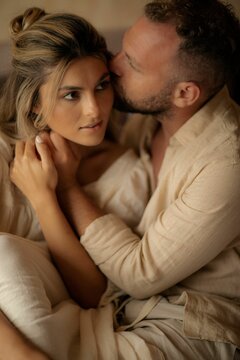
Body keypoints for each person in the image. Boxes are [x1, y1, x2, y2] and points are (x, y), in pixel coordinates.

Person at [2, 0, 240, 359]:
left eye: (131, 64)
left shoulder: (219, 164)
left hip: (181, 321)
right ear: (34, 103)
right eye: (122, 49)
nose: (113, 67)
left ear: (185, 94)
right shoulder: (148, 123)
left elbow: (124, 280)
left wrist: (57, 192)